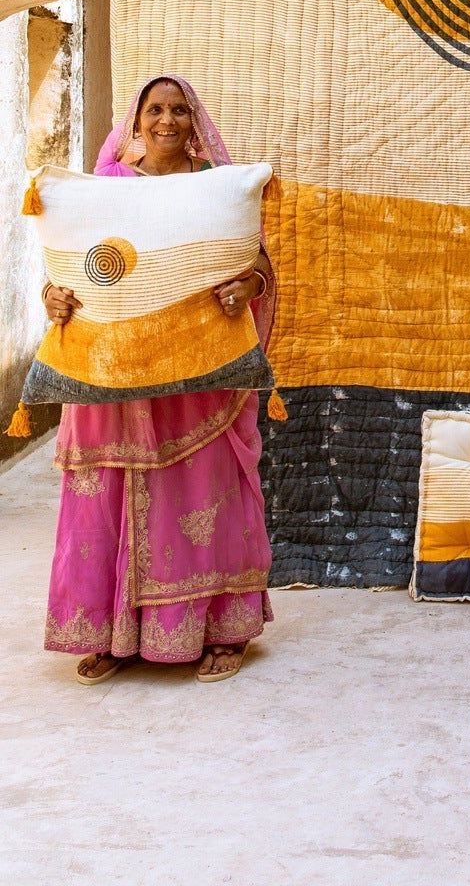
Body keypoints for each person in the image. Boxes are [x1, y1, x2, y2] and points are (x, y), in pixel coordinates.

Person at [42, 74, 276, 684]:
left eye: (178, 110)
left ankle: (222, 630)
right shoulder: (107, 187)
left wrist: (247, 286)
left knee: (202, 491)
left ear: (194, 122)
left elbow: (257, 264)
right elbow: (74, 263)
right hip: (117, 373)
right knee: (108, 494)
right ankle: (114, 632)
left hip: (196, 375)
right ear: (136, 120)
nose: (166, 121)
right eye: (154, 109)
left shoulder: (213, 186)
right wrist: (53, 296)